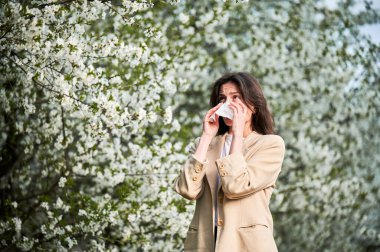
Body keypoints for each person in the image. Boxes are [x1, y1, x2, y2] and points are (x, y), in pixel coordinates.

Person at [172, 72, 286, 252]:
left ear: (253, 106)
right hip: (204, 243)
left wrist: (238, 134)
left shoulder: (270, 145)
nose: (227, 104)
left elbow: (235, 186)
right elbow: (187, 189)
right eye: (222, 99)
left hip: (247, 245)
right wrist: (206, 137)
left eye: (236, 98)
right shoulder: (205, 144)